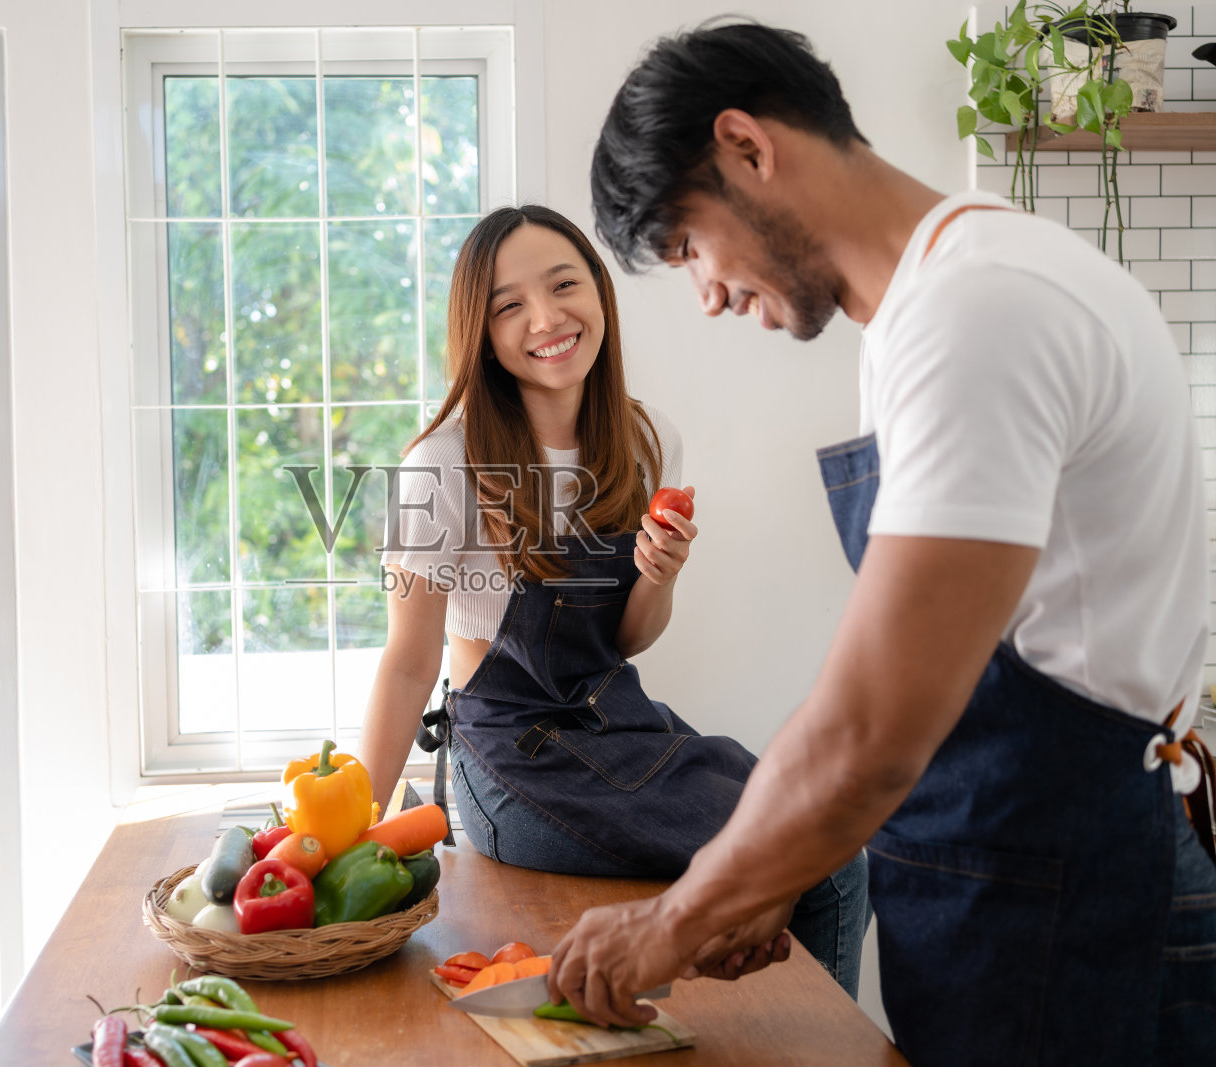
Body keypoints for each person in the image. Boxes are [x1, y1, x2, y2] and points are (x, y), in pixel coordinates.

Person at [546, 19, 1216, 1067]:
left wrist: (673, 919)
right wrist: (761, 873)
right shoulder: (930, 310)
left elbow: (872, 726)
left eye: (689, 244)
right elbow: (880, 672)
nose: (708, 292)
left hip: (1075, 908)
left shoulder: (978, 314)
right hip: (1010, 893)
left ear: (746, 145)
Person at [355, 203, 869, 996]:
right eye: (509, 306)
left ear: (600, 293)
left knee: (825, 845)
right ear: (481, 334)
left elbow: (623, 642)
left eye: (565, 285)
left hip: (618, 724)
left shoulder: (646, 439)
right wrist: (356, 830)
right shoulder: (442, 463)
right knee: (820, 867)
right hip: (509, 759)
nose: (547, 318)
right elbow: (407, 660)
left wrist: (659, 574)